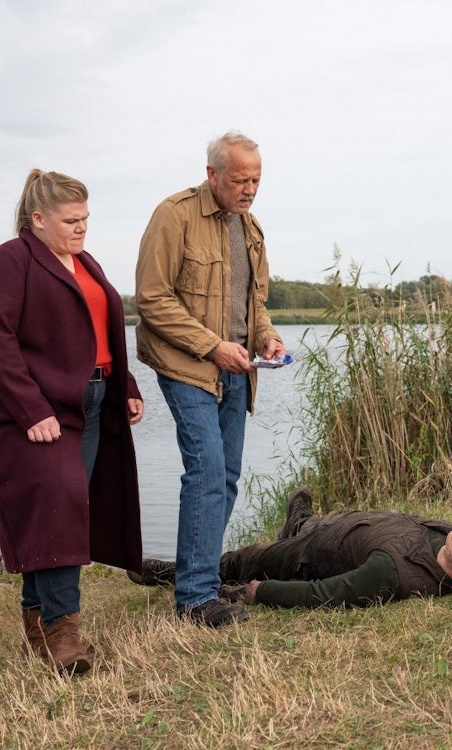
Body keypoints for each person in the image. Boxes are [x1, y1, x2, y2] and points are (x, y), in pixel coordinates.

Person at [0, 169, 144, 674]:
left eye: (86, 218)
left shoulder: (84, 262)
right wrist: (32, 409)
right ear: (38, 218)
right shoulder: (7, 262)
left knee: (59, 515)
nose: (81, 228)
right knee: (60, 511)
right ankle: (63, 634)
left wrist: (123, 386)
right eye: (71, 220)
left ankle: (38, 626)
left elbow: (102, 332)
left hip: (89, 401)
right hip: (28, 410)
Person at [134, 131, 286, 628]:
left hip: (239, 368)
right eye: (240, 179)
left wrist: (266, 340)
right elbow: (152, 301)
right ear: (212, 175)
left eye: (256, 180)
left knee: (225, 476)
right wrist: (211, 347)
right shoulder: (172, 216)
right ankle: (196, 601)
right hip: (187, 366)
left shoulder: (252, 229)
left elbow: (253, 306)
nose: (249, 190)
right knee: (205, 470)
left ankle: (197, 576)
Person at [128, 488, 452, 608]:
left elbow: (324, 594)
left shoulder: (394, 575)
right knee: (309, 522)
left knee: (241, 560)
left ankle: (167, 573)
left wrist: (257, 591)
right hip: (344, 525)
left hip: (310, 556)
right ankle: (300, 520)